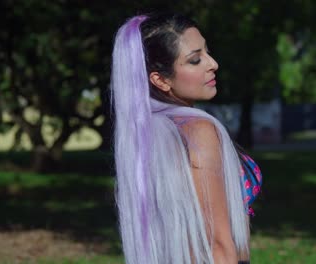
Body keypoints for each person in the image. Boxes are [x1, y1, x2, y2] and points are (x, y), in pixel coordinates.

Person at [111, 12, 262, 264]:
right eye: (195, 60)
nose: (212, 63)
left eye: (207, 52)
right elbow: (215, 242)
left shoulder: (146, 136)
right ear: (160, 80)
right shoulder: (198, 131)